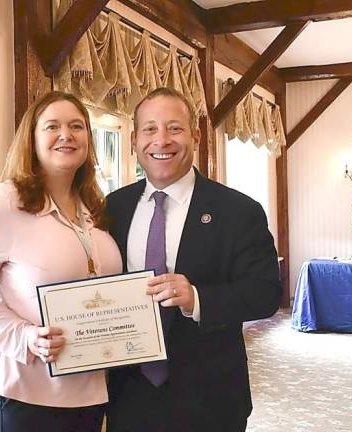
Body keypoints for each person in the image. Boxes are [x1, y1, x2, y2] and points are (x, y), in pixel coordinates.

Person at [104, 87, 281, 432]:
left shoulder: (239, 211)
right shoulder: (112, 208)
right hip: (129, 396)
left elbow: (265, 293)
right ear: (134, 140)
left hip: (210, 399)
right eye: (150, 129)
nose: (161, 140)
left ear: (195, 136)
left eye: (174, 128)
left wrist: (198, 298)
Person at [0, 91, 122, 432]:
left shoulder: (94, 207)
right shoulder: (3, 203)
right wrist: (24, 336)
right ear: (32, 138)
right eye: (52, 126)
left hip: (90, 390)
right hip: (25, 391)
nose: (66, 135)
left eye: (76, 126)